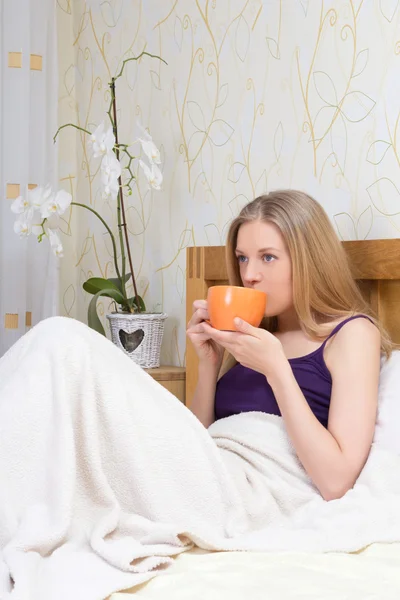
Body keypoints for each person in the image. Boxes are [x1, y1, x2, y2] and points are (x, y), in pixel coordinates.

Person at [186, 189, 394, 502]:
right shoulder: (253, 335)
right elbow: (195, 445)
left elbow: (336, 482)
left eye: (267, 257)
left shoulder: (353, 334)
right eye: (243, 258)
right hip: (208, 474)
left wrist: (277, 370)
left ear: (310, 261)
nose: (249, 275)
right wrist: (208, 363)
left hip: (256, 491)